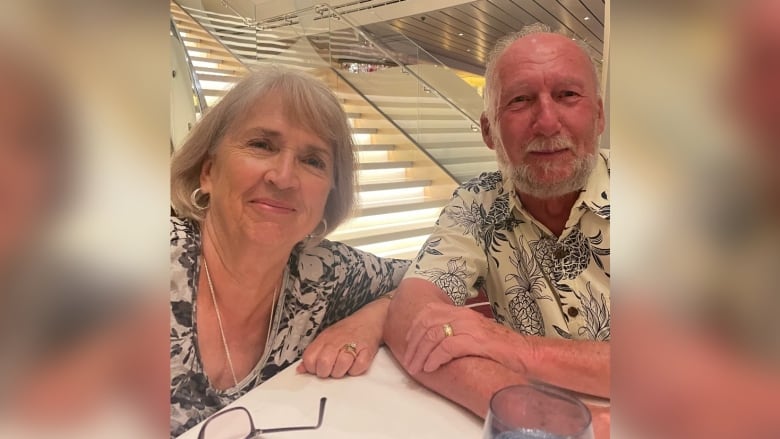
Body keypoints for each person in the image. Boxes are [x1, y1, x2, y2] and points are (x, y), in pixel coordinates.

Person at [383, 23, 610, 430]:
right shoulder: (477, 203)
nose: (546, 121)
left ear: (600, 117)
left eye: (567, 95)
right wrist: (560, 421)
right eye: (520, 101)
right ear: (489, 130)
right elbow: (410, 320)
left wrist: (520, 350)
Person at [169, 67, 410, 436]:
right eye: (262, 145)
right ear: (208, 172)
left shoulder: (321, 274)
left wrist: (370, 320)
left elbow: (427, 274)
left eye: (313, 161)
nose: (283, 177)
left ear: (330, 192)